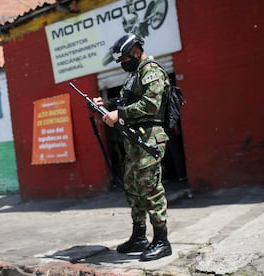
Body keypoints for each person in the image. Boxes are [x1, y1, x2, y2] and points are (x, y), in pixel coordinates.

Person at [93, 33, 172, 261]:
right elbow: (124, 104)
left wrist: (119, 114)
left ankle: (161, 241)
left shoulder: (151, 71)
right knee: (133, 189)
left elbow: (150, 104)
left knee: (150, 189)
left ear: (136, 52)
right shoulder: (134, 76)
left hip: (149, 139)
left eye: (125, 59)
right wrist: (104, 106)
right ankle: (139, 237)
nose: (123, 64)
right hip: (135, 141)